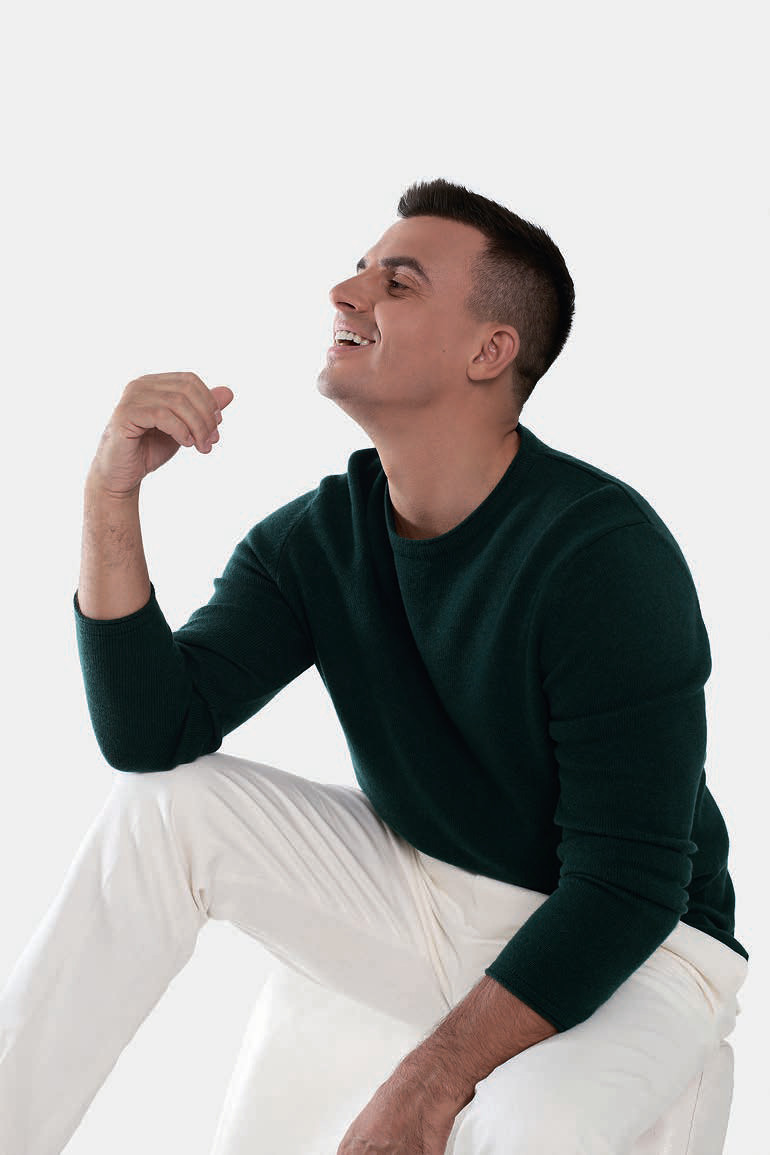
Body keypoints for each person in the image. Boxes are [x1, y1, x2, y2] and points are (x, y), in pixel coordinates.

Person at [0, 177, 749, 1155]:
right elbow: (150, 734)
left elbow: (627, 887)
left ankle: (667, 1087)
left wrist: (429, 1081)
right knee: (166, 809)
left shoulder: (601, 554)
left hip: (643, 948)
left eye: (397, 283)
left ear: (489, 351)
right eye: (358, 269)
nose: (344, 292)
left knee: (513, 1128)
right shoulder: (319, 539)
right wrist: (111, 492)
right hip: (428, 889)